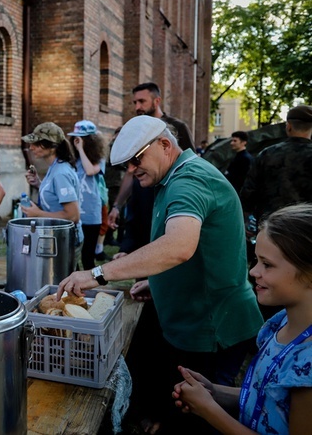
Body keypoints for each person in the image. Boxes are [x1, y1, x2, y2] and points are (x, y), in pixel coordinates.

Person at [58, 115, 264, 434]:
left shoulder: (189, 180)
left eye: (136, 159)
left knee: (197, 419)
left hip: (212, 328)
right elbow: (199, 252)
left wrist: (97, 274)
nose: (132, 169)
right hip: (194, 320)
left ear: (165, 145)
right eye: (127, 163)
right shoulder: (170, 178)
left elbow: (179, 245)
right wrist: (158, 283)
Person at [172, 204, 312, 435]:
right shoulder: (279, 323)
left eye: (267, 264)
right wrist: (215, 393)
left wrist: (209, 411)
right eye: (256, 260)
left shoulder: (307, 369)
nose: (254, 272)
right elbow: (268, 397)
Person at [108, 82, 195, 232]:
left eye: (142, 101)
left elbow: (190, 165)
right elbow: (131, 171)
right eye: (135, 102)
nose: (137, 107)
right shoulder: (135, 130)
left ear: (157, 101)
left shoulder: (178, 127)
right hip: (142, 203)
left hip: (170, 202)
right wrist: (117, 206)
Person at [241, 105, 312, 223]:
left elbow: (249, 192)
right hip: (306, 227)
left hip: (272, 225)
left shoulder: (267, 154)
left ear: (289, 126)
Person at [20, 122, 83, 249]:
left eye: (36, 144)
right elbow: (56, 196)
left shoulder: (60, 173)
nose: (31, 147)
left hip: (64, 240)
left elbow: (73, 216)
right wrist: (39, 184)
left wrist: (37, 214)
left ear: (52, 147)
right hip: (58, 237)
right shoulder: (55, 167)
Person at [68, 120, 106, 270]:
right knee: (73, 259)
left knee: (88, 258)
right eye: (75, 139)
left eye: (81, 138)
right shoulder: (72, 160)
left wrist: (82, 149)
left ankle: (91, 289)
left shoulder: (99, 159)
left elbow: (90, 171)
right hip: (75, 214)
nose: (77, 141)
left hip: (91, 213)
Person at [224, 130, 253, 194]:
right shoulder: (239, 156)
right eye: (232, 141)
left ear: (244, 142)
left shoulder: (245, 159)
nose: (231, 143)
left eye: (235, 141)